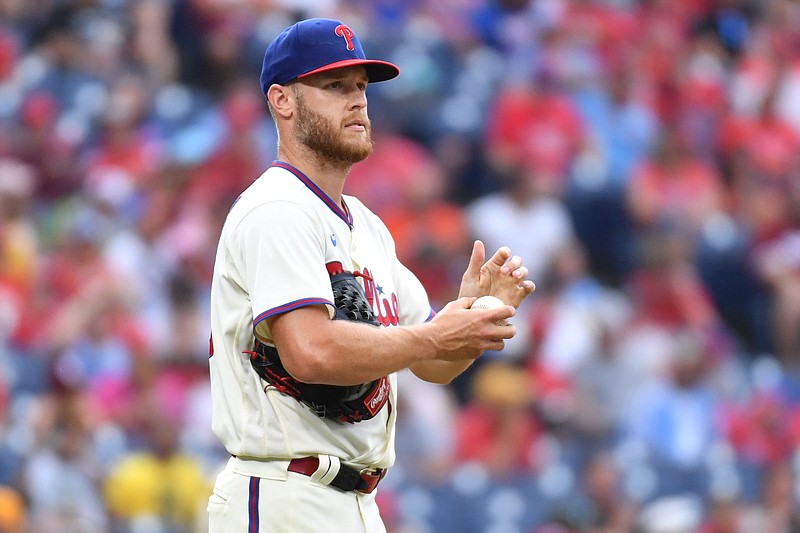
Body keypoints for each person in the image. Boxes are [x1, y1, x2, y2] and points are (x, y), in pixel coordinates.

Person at [206, 17, 536, 533]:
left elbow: (432, 365)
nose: (358, 101)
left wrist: (473, 321)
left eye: (361, 87)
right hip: (285, 492)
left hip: (355, 502)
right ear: (283, 101)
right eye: (335, 86)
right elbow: (311, 352)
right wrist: (436, 335)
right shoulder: (277, 208)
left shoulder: (369, 227)